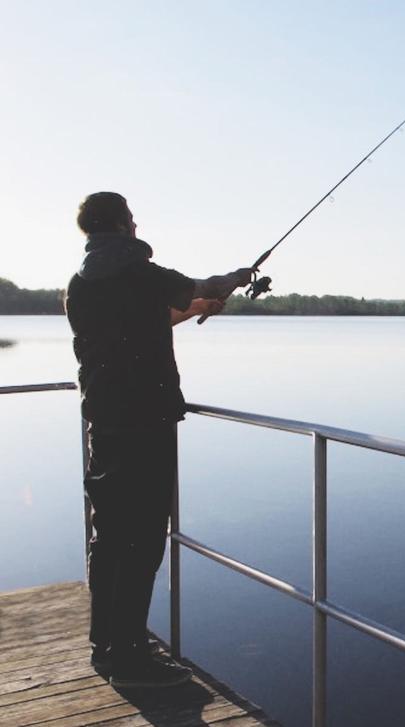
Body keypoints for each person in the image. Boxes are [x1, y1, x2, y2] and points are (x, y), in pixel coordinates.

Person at [64, 191, 250, 689]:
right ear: (125, 225)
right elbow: (197, 285)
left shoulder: (81, 283)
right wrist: (234, 279)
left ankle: (106, 645)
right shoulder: (142, 272)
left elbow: (149, 316)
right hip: (146, 420)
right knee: (144, 538)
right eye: (132, 219)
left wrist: (196, 309)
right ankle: (131, 654)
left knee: (109, 535)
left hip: (103, 420)